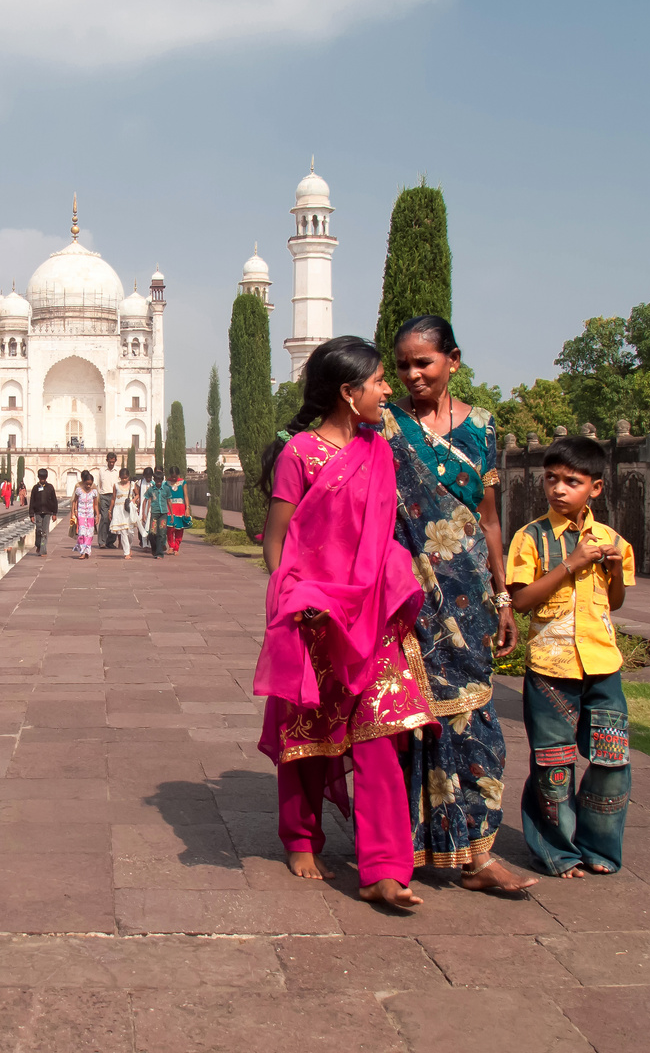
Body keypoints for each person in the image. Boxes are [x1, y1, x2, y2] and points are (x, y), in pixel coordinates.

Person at [256, 335, 435, 906]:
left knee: (381, 736)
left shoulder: (378, 449)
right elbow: (276, 542)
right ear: (347, 391)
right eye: (380, 380)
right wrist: (292, 600)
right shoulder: (300, 454)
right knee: (308, 731)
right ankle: (301, 838)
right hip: (316, 615)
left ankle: (384, 868)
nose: (389, 389)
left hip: (373, 616)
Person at [386, 315, 536, 892]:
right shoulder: (387, 426)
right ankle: (400, 850)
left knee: (474, 718)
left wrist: (502, 596)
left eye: (423, 362)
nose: (412, 375)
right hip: (408, 594)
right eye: (402, 366)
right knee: (410, 718)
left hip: (468, 592)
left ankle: (476, 853)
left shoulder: (481, 427)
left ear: (452, 359)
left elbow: (492, 519)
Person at [508, 436, 636, 878]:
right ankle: (558, 851)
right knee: (553, 763)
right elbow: (521, 601)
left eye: (571, 481)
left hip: (603, 665)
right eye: (551, 479)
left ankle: (599, 847)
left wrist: (614, 569)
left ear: (595, 488)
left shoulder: (613, 539)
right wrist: (572, 564)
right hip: (551, 668)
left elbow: (614, 602)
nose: (558, 489)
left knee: (611, 760)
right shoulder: (531, 538)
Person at [109, 468, 137, 560]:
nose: (124, 480)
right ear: (119, 477)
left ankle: (129, 547)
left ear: (128, 477)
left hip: (128, 510)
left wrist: (133, 500)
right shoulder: (116, 485)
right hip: (118, 509)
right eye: (122, 478)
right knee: (123, 531)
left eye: (126, 478)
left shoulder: (132, 485)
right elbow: (113, 498)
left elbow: (137, 494)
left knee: (131, 532)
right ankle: (126, 552)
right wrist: (110, 510)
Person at [29, 468, 58, 555]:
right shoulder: (35, 488)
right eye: (41, 478)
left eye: (44, 478)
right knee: (39, 530)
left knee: (45, 532)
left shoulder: (50, 487)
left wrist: (54, 513)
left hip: (47, 512)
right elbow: (32, 501)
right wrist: (31, 514)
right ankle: (38, 544)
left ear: (46, 477)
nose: (42, 479)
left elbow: (54, 501)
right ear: (38, 477)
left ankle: (43, 549)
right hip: (38, 512)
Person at [71, 471, 98, 558]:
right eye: (87, 484)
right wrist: (74, 511)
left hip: (90, 515)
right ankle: (82, 552)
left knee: (89, 534)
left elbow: (96, 504)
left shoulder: (94, 492)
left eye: (90, 484)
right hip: (81, 514)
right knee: (82, 533)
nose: (88, 486)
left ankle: (87, 551)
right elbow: (74, 501)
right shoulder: (79, 491)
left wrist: (97, 515)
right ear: (84, 482)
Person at [165, 466, 190, 554]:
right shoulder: (166, 483)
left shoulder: (183, 482)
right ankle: (171, 546)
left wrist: (187, 508)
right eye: (172, 477)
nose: (174, 478)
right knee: (170, 528)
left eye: (175, 477)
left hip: (180, 507)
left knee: (179, 529)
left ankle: (176, 547)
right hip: (170, 507)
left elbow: (186, 496)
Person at [146, 469, 170, 558]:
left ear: (162, 480)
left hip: (163, 513)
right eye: (157, 481)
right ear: (154, 480)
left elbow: (169, 501)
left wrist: (171, 513)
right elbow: (146, 500)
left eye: (160, 481)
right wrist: (145, 513)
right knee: (152, 532)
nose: (159, 483)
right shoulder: (151, 490)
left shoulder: (166, 489)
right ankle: (154, 548)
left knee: (162, 533)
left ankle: (159, 553)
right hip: (154, 513)